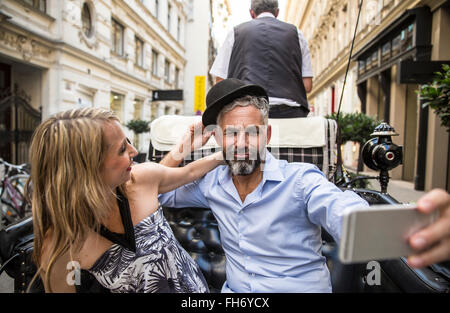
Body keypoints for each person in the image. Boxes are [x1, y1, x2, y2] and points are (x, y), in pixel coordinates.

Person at [159, 78, 450, 292]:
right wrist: (182, 151)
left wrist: (413, 229)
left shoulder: (300, 179)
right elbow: (155, 192)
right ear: (219, 138)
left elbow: (343, 211)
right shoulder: (212, 185)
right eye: (232, 134)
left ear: (268, 135)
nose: (243, 143)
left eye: (252, 132)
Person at [28, 107, 223, 293]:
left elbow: (188, 172)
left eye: (128, 140)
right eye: (122, 149)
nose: (134, 151)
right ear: (87, 168)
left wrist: (227, 152)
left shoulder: (140, 180)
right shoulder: (59, 246)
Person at [210, 0, 313, 118]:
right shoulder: (297, 34)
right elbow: (307, 85)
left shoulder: (235, 33)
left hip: (247, 112)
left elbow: (220, 82)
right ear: (277, 12)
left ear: (251, 13)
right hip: (290, 113)